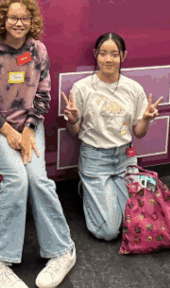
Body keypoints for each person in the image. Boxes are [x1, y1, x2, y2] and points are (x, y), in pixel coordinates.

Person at [0, 0, 76, 288]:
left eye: (25, 18)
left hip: (31, 126)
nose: (19, 23)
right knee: (16, 180)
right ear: (3, 19)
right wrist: (8, 131)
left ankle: (62, 250)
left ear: (33, 22)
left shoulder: (38, 50)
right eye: (13, 17)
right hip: (1, 128)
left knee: (38, 180)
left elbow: (43, 94)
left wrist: (29, 130)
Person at [62, 33, 162, 240]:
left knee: (138, 223)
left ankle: (107, 194)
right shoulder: (82, 88)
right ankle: (89, 188)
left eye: (114, 54)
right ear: (95, 55)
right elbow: (75, 130)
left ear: (123, 56)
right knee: (108, 232)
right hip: (95, 159)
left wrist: (146, 119)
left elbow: (139, 133)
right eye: (103, 54)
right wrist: (72, 120)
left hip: (126, 159)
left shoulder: (133, 88)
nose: (108, 59)